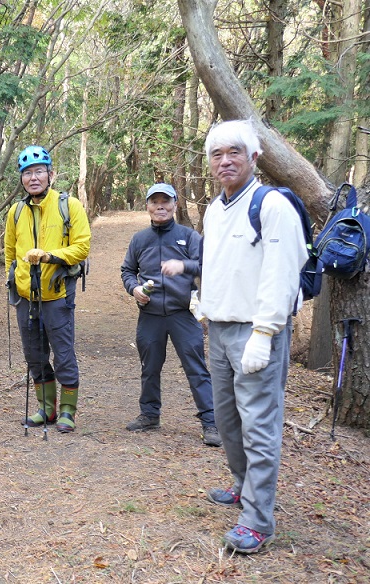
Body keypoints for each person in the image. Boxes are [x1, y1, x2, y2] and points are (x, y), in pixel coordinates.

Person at [200, 120, 308, 554]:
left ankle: (258, 519)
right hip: (220, 329)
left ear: (254, 157)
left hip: (256, 330)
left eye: (235, 152)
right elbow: (219, 263)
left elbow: (282, 273)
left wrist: (264, 333)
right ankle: (242, 485)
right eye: (217, 154)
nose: (225, 161)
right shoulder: (215, 208)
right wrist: (203, 302)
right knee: (228, 420)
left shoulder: (272, 205)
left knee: (259, 424)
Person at [120, 183, 221, 447]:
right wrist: (134, 289)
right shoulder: (140, 239)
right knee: (149, 367)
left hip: (183, 314)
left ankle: (211, 423)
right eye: (155, 202)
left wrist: (182, 265)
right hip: (150, 314)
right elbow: (127, 271)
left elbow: (207, 265)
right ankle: (149, 415)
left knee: (196, 369)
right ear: (147, 207)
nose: (160, 206)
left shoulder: (188, 236)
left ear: (175, 204)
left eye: (166, 201)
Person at [4, 146, 91, 433]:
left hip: (57, 295)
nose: (33, 178)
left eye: (39, 171)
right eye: (27, 173)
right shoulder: (16, 212)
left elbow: (82, 247)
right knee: (34, 355)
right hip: (26, 297)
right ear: (21, 179)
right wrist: (13, 279)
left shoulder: (70, 206)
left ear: (50, 174)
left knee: (63, 354)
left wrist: (50, 257)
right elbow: (10, 251)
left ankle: (67, 410)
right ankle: (46, 408)